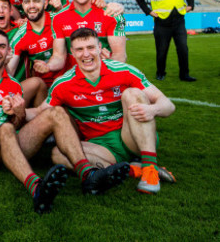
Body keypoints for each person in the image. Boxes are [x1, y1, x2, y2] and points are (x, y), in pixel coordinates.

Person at [0, 29, 130, 214]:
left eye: (2, 47)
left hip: (10, 146)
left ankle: (88, 174)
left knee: (56, 113)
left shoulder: (14, 85)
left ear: (9, 51)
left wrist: (19, 114)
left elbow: (16, 124)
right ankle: (36, 187)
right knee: (5, 128)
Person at [32, 28, 176, 194]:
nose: (86, 54)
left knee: (133, 94)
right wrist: (17, 109)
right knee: (58, 154)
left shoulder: (123, 70)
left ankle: (150, 170)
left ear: (100, 47)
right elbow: (39, 112)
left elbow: (168, 105)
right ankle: (135, 170)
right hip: (101, 147)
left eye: (91, 47)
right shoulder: (63, 84)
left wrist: (153, 109)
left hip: (132, 137)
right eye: (80, 49)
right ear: (72, 52)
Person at [48, 0, 126, 73]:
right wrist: (47, 66)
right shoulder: (58, 18)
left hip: (105, 77)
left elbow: (120, 55)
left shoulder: (111, 14)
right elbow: (59, 57)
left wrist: (110, 64)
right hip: (74, 81)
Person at [136, 0, 196, 82]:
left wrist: (190, 6)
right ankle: (160, 73)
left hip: (179, 22)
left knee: (183, 49)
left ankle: (184, 75)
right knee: (162, 51)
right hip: (162, 24)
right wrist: (149, 11)